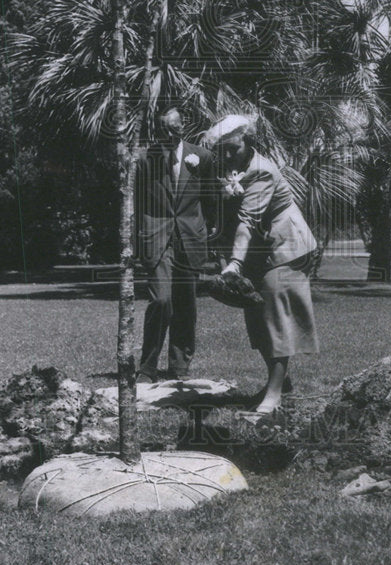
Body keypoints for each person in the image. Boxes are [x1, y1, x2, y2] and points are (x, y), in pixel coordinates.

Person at [204, 114, 319, 414]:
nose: (228, 155)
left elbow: (247, 222)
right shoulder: (226, 166)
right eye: (222, 150)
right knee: (258, 320)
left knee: (275, 318)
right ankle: (279, 383)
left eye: (233, 148)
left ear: (248, 141)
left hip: (286, 247)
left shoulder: (261, 171)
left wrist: (234, 265)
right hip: (259, 250)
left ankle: (276, 393)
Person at [134, 108, 216, 382]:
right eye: (162, 129)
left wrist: (211, 232)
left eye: (173, 128)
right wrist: (138, 238)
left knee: (186, 304)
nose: (168, 134)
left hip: (190, 237)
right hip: (157, 238)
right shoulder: (145, 159)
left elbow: (211, 199)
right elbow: (135, 202)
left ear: (184, 126)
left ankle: (179, 368)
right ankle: (147, 368)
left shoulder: (202, 157)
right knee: (161, 299)